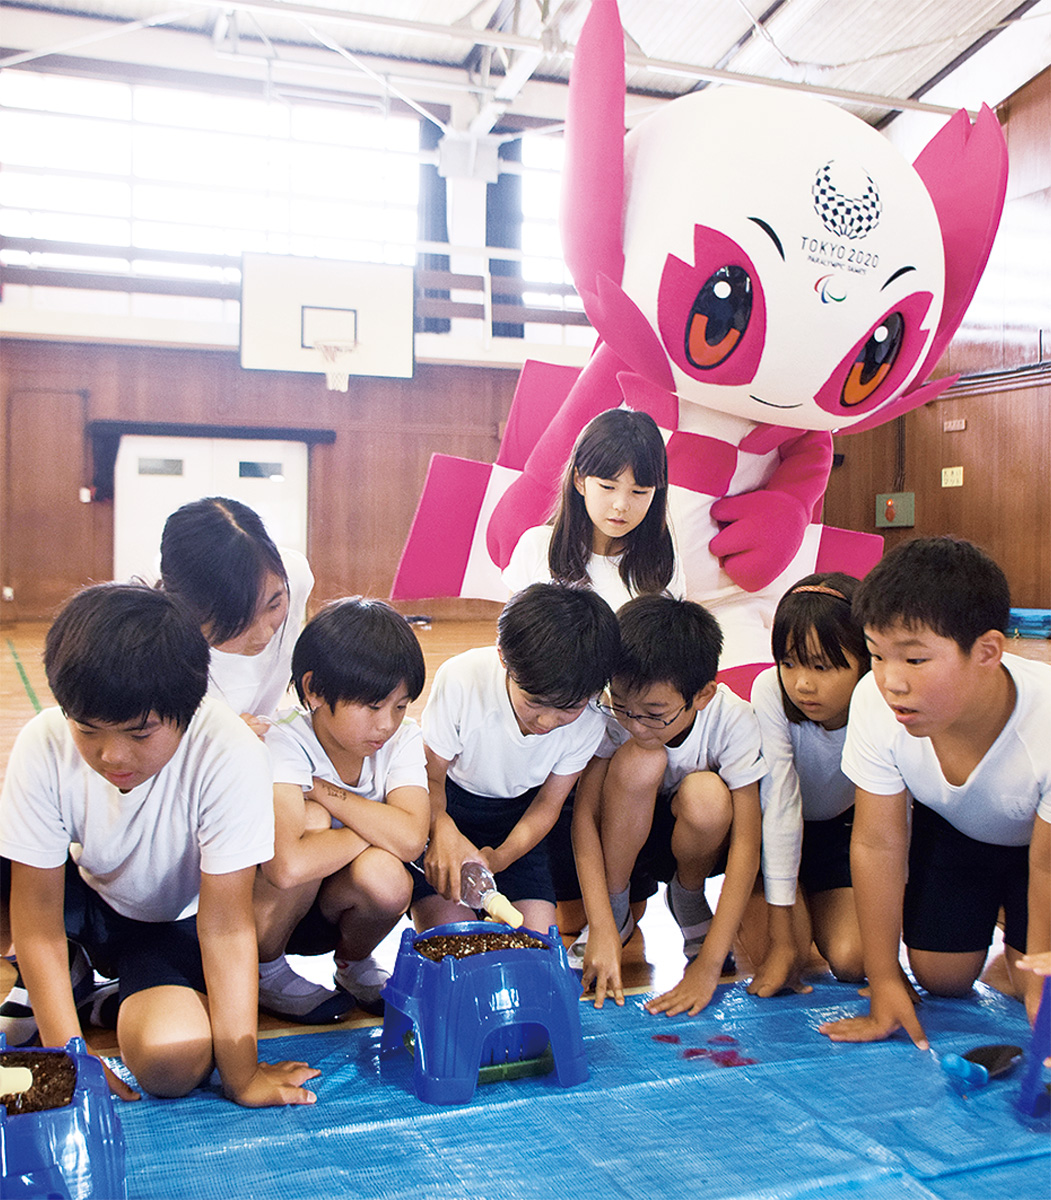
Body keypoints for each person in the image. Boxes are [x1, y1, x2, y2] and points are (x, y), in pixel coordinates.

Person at [0, 583, 318, 1105]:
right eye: (88, 730)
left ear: (187, 711)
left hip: (169, 924)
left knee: (170, 1060)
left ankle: (102, 997)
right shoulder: (44, 742)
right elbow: (36, 922)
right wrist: (70, 1058)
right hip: (85, 897)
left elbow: (226, 927)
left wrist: (241, 1074)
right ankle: (67, 977)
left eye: (139, 734)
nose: (111, 755)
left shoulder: (228, 752)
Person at [819, 537, 1051, 1051]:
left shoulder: (1047, 719)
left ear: (987, 651)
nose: (891, 682)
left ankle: (1015, 952)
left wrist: (1040, 989)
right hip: (958, 831)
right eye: (877, 655)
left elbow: (1047, 866)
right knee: (941, 977)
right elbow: (877, 843)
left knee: (1033, 986)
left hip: (1042, 849)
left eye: (915, 659)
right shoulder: (875, 702)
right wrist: (884, 980)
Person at [572, 595, 765, 1013]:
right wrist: (602, 920)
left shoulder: (733, 720)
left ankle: (688, 899)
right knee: (642, 759)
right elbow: (584, 816)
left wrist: (709, 964)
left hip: (695, 846)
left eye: (654, 712)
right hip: (623, 840)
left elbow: (748, 844)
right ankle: (620, 909)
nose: (635, 723)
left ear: (703, 695)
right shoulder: (613, 718)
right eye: (621, 705)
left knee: (707, 796)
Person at [255, 598, 430, 1021]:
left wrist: (326, 792)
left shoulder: (402, 738)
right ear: (314, 690)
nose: (387, 724)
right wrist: (375, 827)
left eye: (401, 706)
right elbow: (286, 867)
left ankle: (353, 963)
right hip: (270, 913)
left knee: (388, 878)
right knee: (311, 821)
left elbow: (411, 840)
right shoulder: (283, 737)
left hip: (338, 904)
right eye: (373, 706)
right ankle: (264, 971)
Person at [413, 582, 619, 935]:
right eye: (534, 702)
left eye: (569, 708)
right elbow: (430, 778)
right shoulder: (462, 678)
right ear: (502, 657)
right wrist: (442, 829)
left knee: (534, 941)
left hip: (518, 824)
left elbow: (548, 804)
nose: (547, 721)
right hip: (446, 805)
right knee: (452, 938)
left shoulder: (592, 715)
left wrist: (502, 857)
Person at [745, 573, 869, 997]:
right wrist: (783, 941)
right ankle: (791, 914)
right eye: (789, 662)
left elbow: (891, 827)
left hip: (840, 837)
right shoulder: (770, 691)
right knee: (782, 957)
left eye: (821, 666)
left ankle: (818, 906)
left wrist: (888, 969)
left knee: (854, 962)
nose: (802, 684)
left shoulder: (879, 702)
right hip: (773, 833)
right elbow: (780, 803)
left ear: (865, 661)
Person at [502, 408, 685, 612]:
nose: (621, 505)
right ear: (579, 480)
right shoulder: (538, 546)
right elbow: (512, 631)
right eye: (608, 487)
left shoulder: (663, 563)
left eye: (639, 492)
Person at [159, 496, 314, 735]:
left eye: (273, 606)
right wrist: (218, 737)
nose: (264, 634)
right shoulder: (159, 659)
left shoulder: (294, 579)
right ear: (189, 613)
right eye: (239, 623)